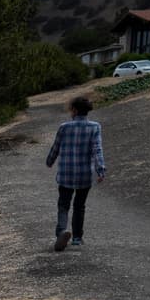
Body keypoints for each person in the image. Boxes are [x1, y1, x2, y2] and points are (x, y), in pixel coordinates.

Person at [45, 95, 106, 251]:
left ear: (74, 110)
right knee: (79, 206)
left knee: (63, 205)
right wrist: (100, 170)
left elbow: (56, 147)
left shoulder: (64, 127)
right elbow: (97, 150)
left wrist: (49, 161)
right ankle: (77, 238)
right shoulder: (95, 127)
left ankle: (61, 232)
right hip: (84, 175)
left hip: (66, 173)